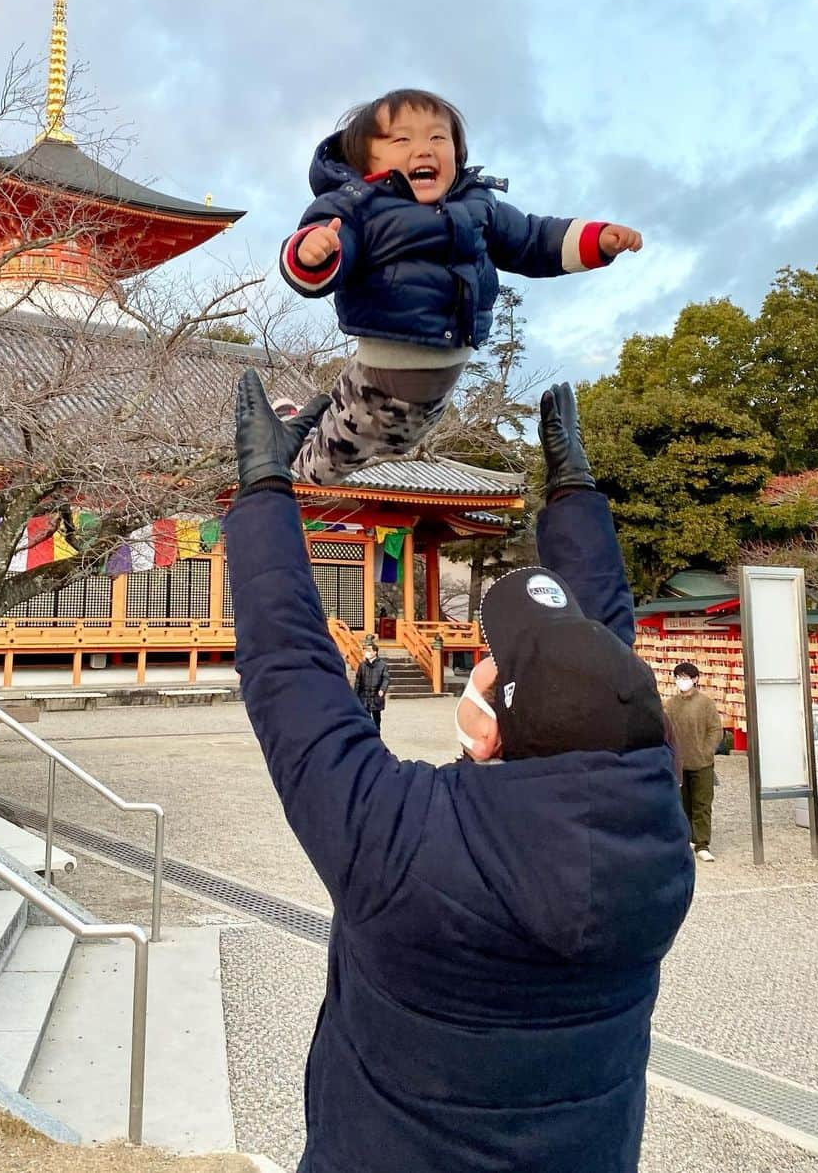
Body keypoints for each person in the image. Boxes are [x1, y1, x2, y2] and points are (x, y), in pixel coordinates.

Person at [226, 369, 693, 1173]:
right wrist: (575, 494)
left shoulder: (405, 844)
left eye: (491, 665)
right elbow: (603, 679)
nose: (480, 660)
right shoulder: (655, 853)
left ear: (487, 736)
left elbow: (288, 666)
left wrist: (267, 491)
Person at [278, 88, 642, 484]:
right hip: (378, 382)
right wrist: (314, 252)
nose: (424, 150)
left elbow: (533, 239)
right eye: (402, 140)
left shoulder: (478, 207)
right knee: (317, 469)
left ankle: (297, 423)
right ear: (366, 162)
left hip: (438, 388)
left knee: (398, 443)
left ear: (457, 153)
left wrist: (597, 239)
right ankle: (285, 434)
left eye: (438, 138)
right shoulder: (358, 208)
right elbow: (328, 249)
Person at [664, 661, 723, 862]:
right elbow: (666, 732)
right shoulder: (670, 705)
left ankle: (702, 843)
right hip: (679, 763)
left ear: (695, 679)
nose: (682, 681)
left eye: (686, 677)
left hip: (702, 763)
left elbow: (715, 730)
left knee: (702, 803)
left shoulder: (706, 704)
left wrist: (707, 751)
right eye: (679, 678)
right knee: (681, 804)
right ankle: (685, 839)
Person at [353, 640, 390, 732]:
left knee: (376, 718)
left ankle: (377, 735)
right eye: (366, 651)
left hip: (376, 695)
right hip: (364, 695)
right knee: (365, 718)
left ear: (375, 652)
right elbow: (358, 681)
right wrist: (355, 695)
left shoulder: (382, 665)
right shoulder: (362, 665)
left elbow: (386, 679)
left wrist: (382, 689)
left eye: (369, 651)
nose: (367, 653)